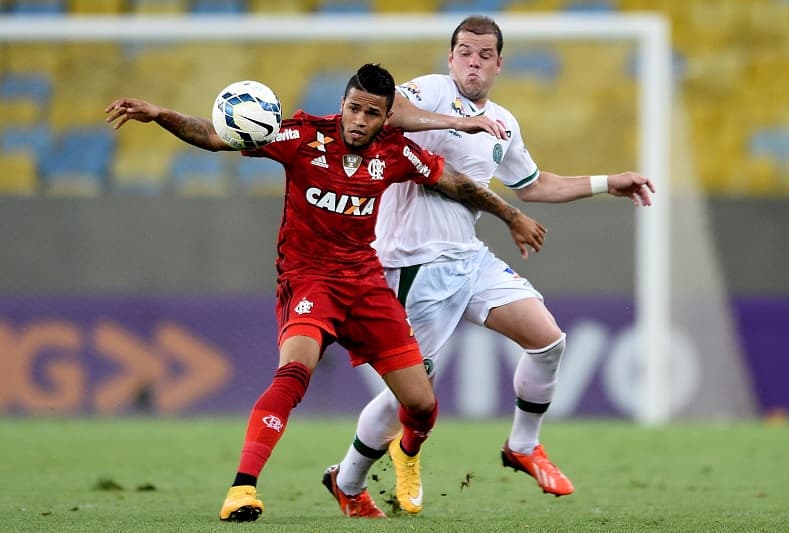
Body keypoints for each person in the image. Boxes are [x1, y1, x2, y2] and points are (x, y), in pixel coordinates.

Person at [104, 63, 547, 522]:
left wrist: (511, 216)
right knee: (295, 372)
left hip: (366, 284)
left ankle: (394, 463)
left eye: (371, 113)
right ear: (342, 105)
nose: (359, 120)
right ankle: (242, 489)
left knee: (421, 404)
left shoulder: (397, 152)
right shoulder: (300, 136)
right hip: (309, 279)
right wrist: (160, 114)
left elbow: (454, 182)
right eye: (354, 108)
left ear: (385, 117)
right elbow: (217, 136)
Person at [324, 16, 656, 517]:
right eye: (464, 52)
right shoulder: (433, 92)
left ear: (499, 64)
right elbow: (388, 114)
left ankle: (522, 445)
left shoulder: (503, 122)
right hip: (412, 264)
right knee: (412, 397)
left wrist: (608, 182)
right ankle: (346, 479)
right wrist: (460, 122)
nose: (472, 63)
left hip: (467, 257)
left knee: (548, 340)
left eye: (483, 55)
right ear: (450, 56)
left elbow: (533, 184)